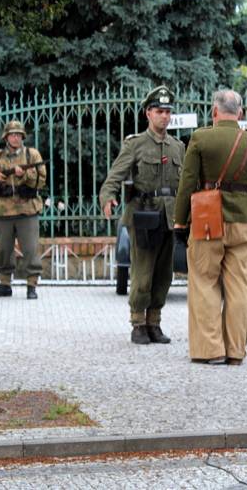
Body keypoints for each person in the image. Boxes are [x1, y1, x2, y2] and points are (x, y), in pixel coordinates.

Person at [174, 89, 247, 365]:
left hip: (207, 221)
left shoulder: (201, 138)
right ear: (239, 113)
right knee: (241, 288)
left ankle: (210, 349)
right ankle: (236, 351)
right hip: (243, 222)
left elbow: (187, 183)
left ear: (214, 112)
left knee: (204, 282)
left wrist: (180, 221)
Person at [99, 86, 185, 344]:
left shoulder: (178, 146)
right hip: (144, 215)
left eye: (168, 112)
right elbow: (115, 176)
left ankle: (154, 322)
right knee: (143, 271)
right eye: (159, 111)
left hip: (170, 216)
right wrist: (108, 197)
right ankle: (138, 322)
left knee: (163, 273)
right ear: (148, 113)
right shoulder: (135, 144)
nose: (165, 117)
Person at [0, 120, 47, 300]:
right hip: (3, 210)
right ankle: (5, 284)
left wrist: (26, 174)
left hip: (27, 209)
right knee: (5, 249)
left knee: (30, 249)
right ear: (6, 137)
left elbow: (41, 180)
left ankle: (32, 285)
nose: (15, 137)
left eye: (18, 134)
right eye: (12, 134)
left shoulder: (32, 155)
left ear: (23, 136)